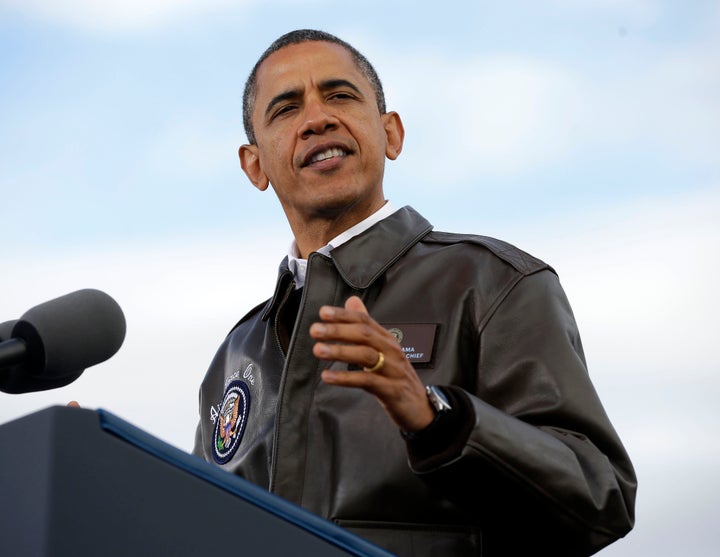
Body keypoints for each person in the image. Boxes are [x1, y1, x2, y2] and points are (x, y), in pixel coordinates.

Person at [193, 29, 636, 556]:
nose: (317, 119)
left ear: (392, 134)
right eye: (287, 109)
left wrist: (438, 420)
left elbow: (600, 498)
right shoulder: (237, 355)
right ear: (255, 165)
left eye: (340, 95)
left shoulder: (492, 283)